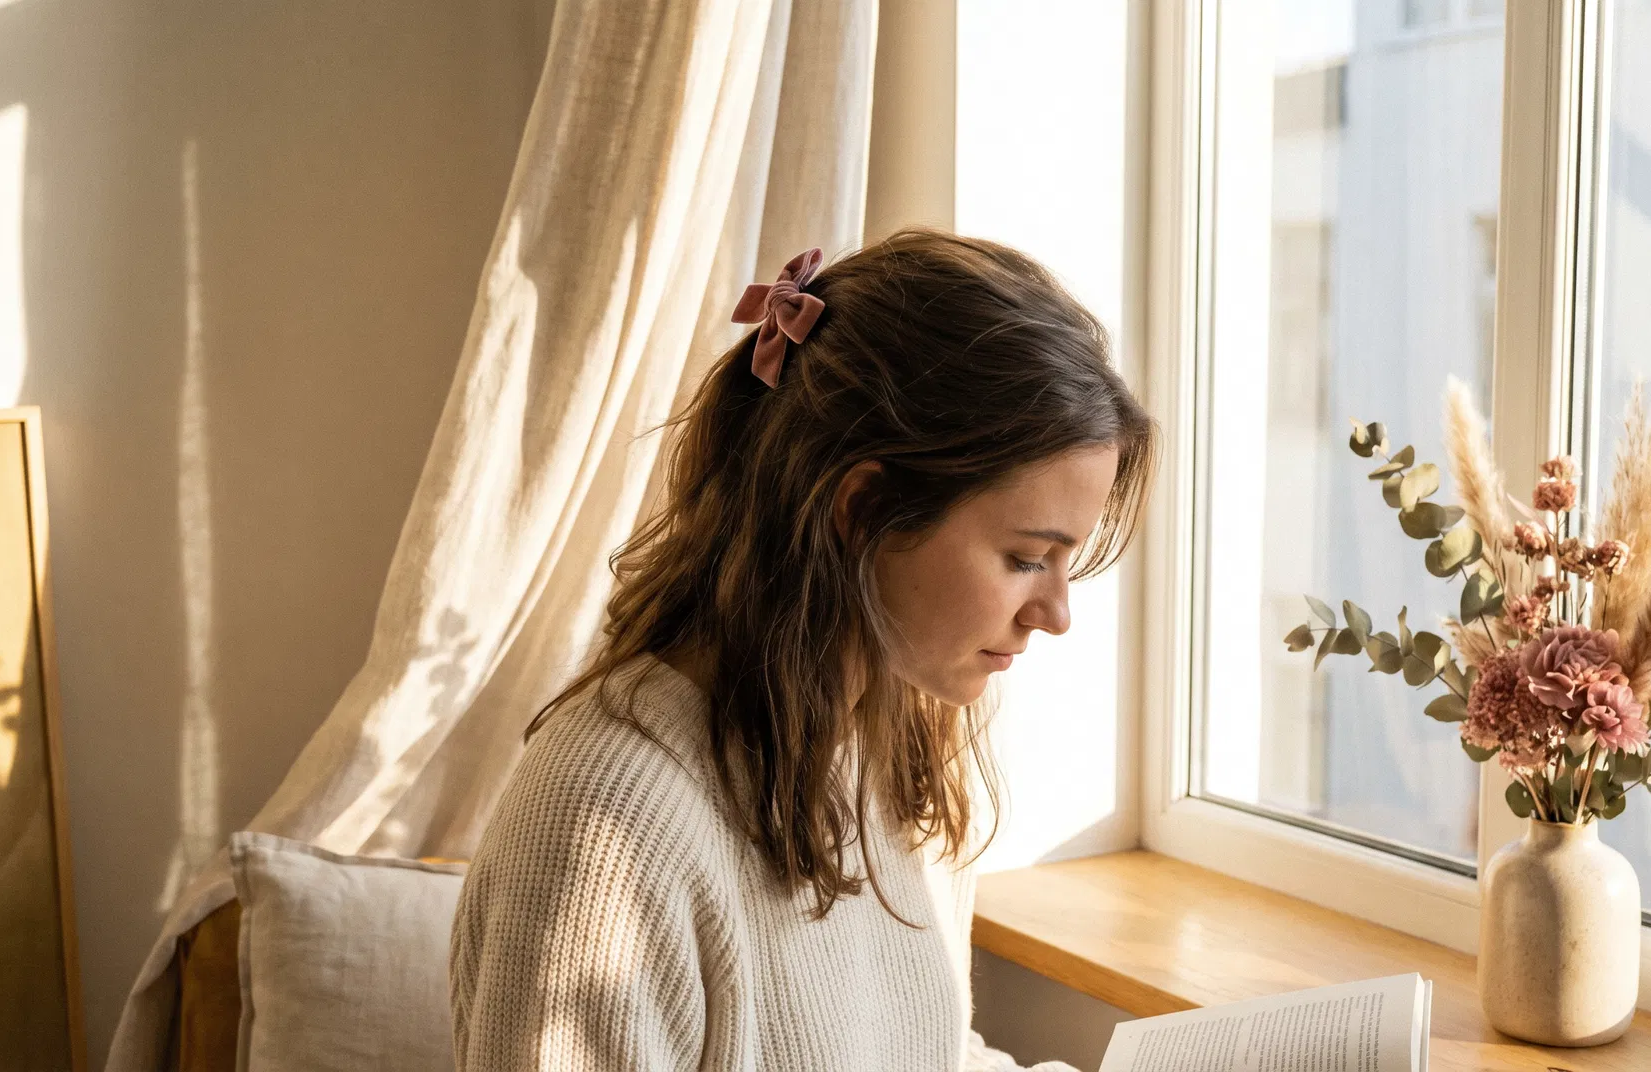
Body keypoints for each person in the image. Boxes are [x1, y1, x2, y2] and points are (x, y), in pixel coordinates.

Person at [450, 227, 1156, 1071]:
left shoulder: (896, 741)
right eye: (1025, 558)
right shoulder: (605, 824)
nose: (1055, 613)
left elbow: (923, 1054)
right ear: (862, 510)